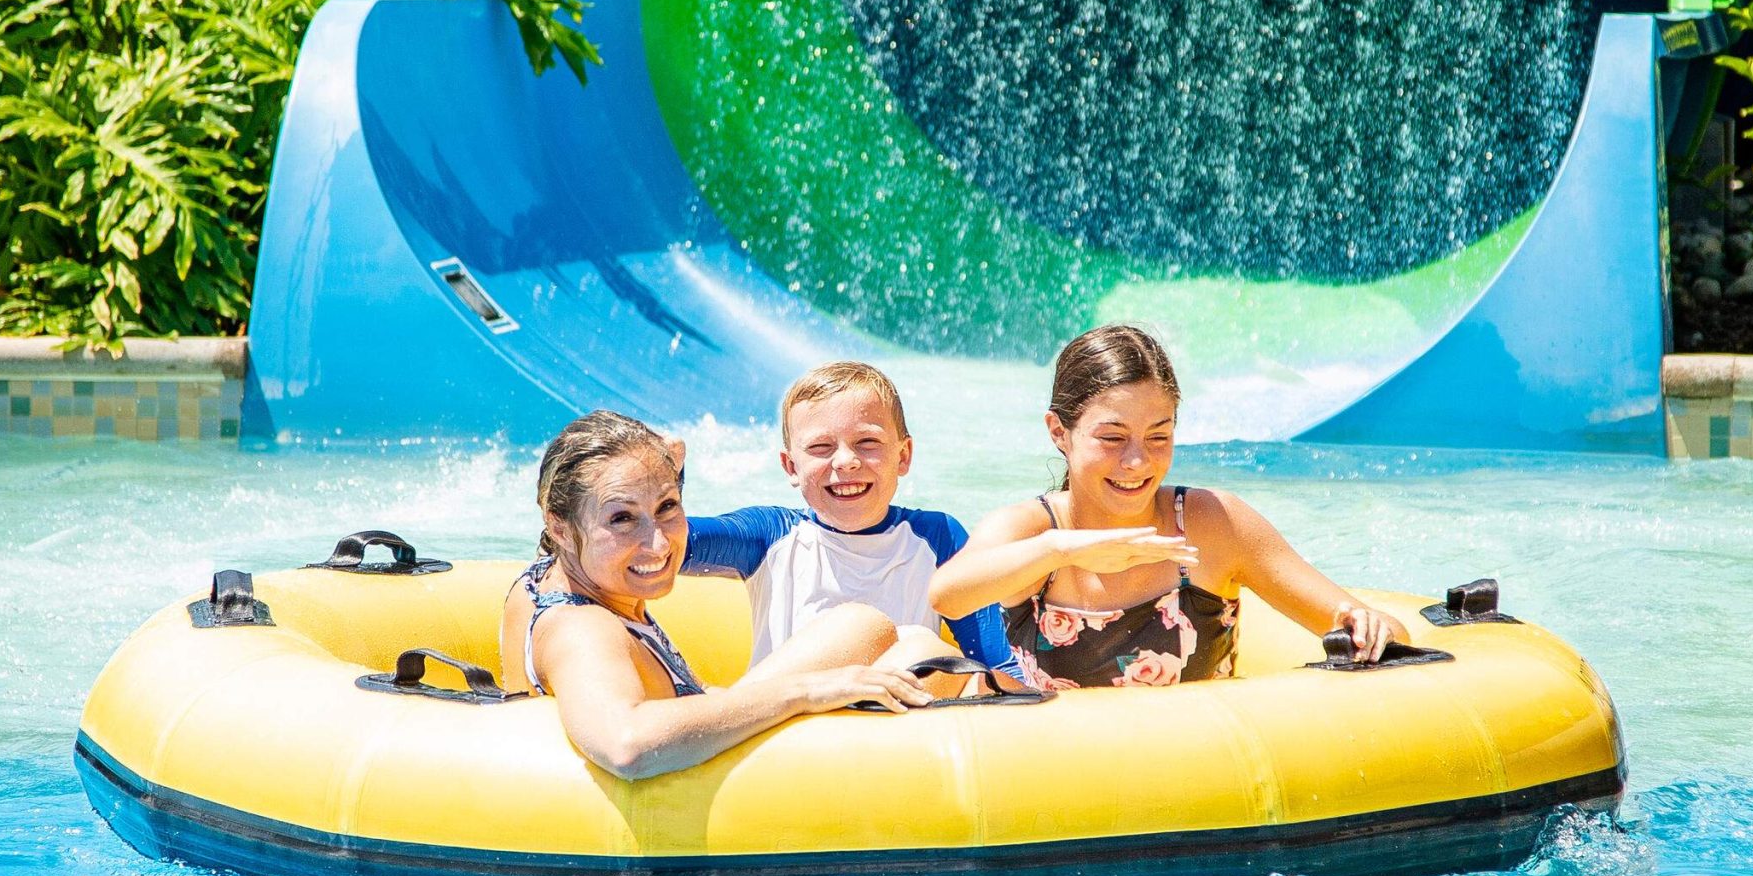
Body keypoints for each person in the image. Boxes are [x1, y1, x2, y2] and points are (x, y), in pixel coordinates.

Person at [929, 324, 1416, 690]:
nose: (1137, 461)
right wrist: (1062, 551)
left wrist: (1367, 626)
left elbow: (1368, 626)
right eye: (1113, 437)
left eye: (1159, 436)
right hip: (1069, 790)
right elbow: (947, 595)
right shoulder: (1034, 529)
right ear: (1060, 432)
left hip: (1203, 787)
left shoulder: (1211, 524)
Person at [498, 410, 936, 780]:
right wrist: (805, 691)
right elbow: (626, 744)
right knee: (916, 652)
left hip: (697, 773)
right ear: (558, 525)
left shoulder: (544, 577)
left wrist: (656, 468)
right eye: (622, 519)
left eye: (667, 507)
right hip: (692, 828)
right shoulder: (581, 628)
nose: (658, 544)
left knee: (885, 634)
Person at [682, 361, 1022, 682]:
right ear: (790, 467)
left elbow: (997, 662)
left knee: (919, 645)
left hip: (890, 730)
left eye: (867, 442)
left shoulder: (938, 538)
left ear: (903, 456)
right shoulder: (770, 536)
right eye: (820, 447)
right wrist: (666, 484)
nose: (845, 461)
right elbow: (673, 545)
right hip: (787, 731)